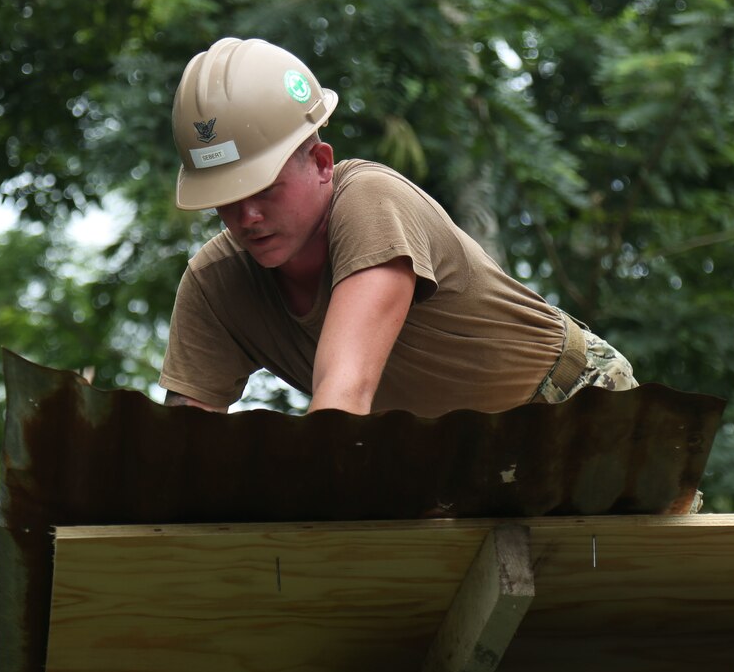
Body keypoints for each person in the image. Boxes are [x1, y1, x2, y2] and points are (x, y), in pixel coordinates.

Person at [159, 37, 637, 418]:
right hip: (451, 462)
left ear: (322, 163)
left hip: (572, 406)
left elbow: (343, 400)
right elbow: (182, 454)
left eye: (265, 189)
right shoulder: (214, 285)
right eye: (226, 200)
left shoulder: (370, 202)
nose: (248, 218)